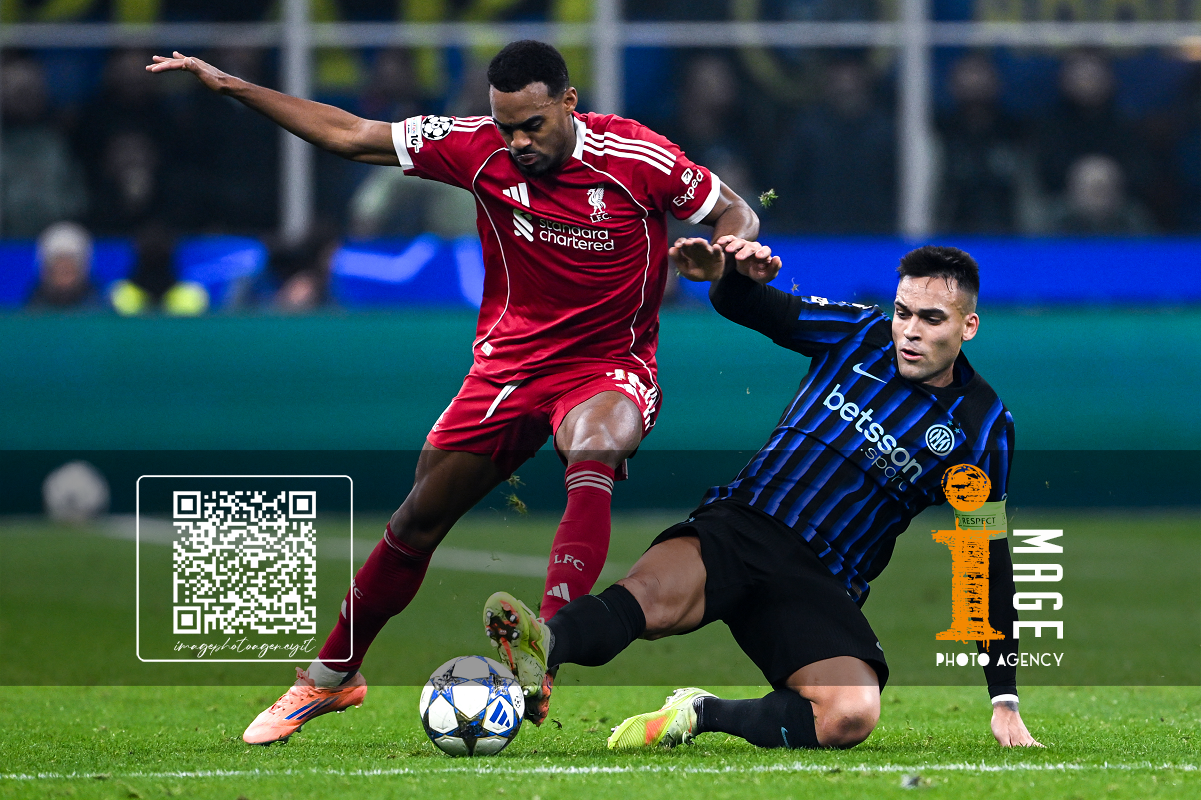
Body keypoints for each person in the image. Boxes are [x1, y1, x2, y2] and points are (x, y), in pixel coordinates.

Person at [147, 39, 765, 743]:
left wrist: (727, 253)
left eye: (532, 125)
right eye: (506, 126)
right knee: (418, 518)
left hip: (607, 365)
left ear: (569, 103)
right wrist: (232, 85)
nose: (518, 141)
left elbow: (735, 211)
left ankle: (542, 648)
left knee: (594, 446)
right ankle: (330, 677)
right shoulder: (474, 147)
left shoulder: (635, 157)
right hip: (508, 368)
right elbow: (351, 134)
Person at [483, 243, 1042, 752]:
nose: (910, 331)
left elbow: (985, 562)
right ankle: (544, 645)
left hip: (819, 581)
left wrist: (1004, 701)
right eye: (903, 312)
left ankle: (700, 712)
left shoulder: (983, 427)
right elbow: (747, 304)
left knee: (850, 714)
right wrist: (728, 276)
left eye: (931, 318)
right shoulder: (858, 333)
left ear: (968, 326)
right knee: (645, 601)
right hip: (742, 524)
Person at [27, 222, 100, 309]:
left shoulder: (98, 307)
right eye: (59, 272)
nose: (64, 281)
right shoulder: (33, 308)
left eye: (69, 272)